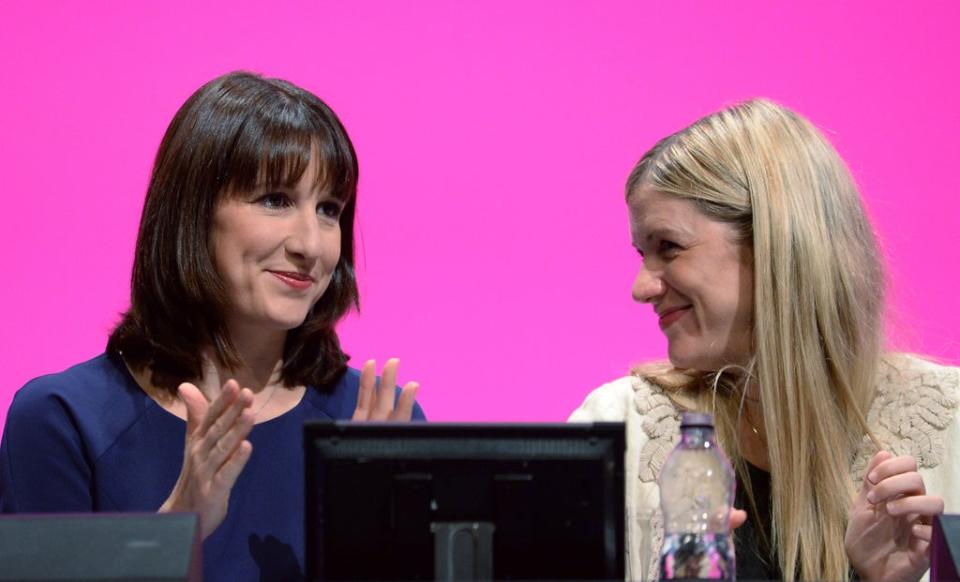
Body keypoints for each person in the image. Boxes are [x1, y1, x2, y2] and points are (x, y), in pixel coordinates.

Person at [0, 71, 425, 581]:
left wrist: (367, 546)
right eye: (275, 199)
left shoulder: (370, 422)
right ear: (193, 213)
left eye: (329, 209)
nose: (311, 245)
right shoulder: (63, 420)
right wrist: (181, 525)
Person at [570, 99, 960, 581]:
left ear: (775, 244)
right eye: (641, 253)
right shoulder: (622, 429)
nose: (641, 287)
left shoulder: (952, 425)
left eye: (668, 247)